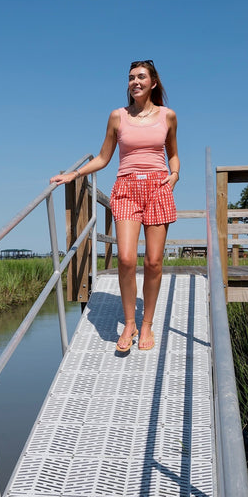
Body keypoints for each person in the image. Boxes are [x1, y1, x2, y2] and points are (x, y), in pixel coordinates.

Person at [50, 60, 180, 352]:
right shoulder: (117, 117)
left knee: (154, 262)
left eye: (141, 77)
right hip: (126, 188)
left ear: (153, 83)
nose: (135, 81)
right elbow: (103, 157)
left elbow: (173, 155)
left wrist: (174, 176)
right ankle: (129, 324)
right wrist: (75, 173)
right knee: (125, 258)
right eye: (131, 77)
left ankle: (146, 324)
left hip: (158, 188)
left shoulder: (167, 116)